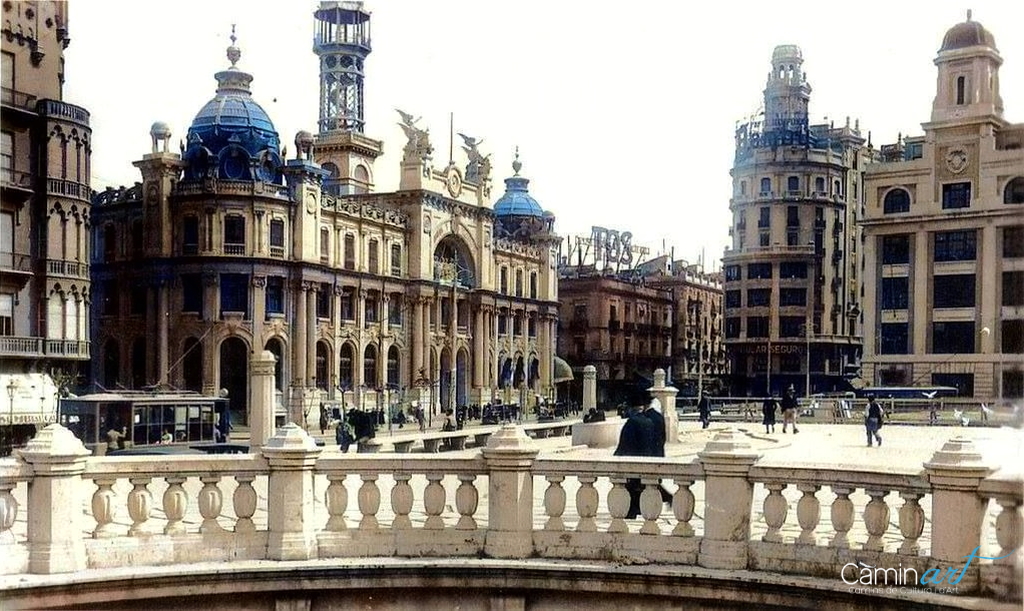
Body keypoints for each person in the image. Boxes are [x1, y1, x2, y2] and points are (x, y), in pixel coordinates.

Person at [614, 404, 656, 519]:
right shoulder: (649, 422)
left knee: (631, 489)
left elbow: (625, 443)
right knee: (641, 488)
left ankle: (631, 511)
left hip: (631, 460)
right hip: (646, 460)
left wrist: (617, 456)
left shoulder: (631, 423)